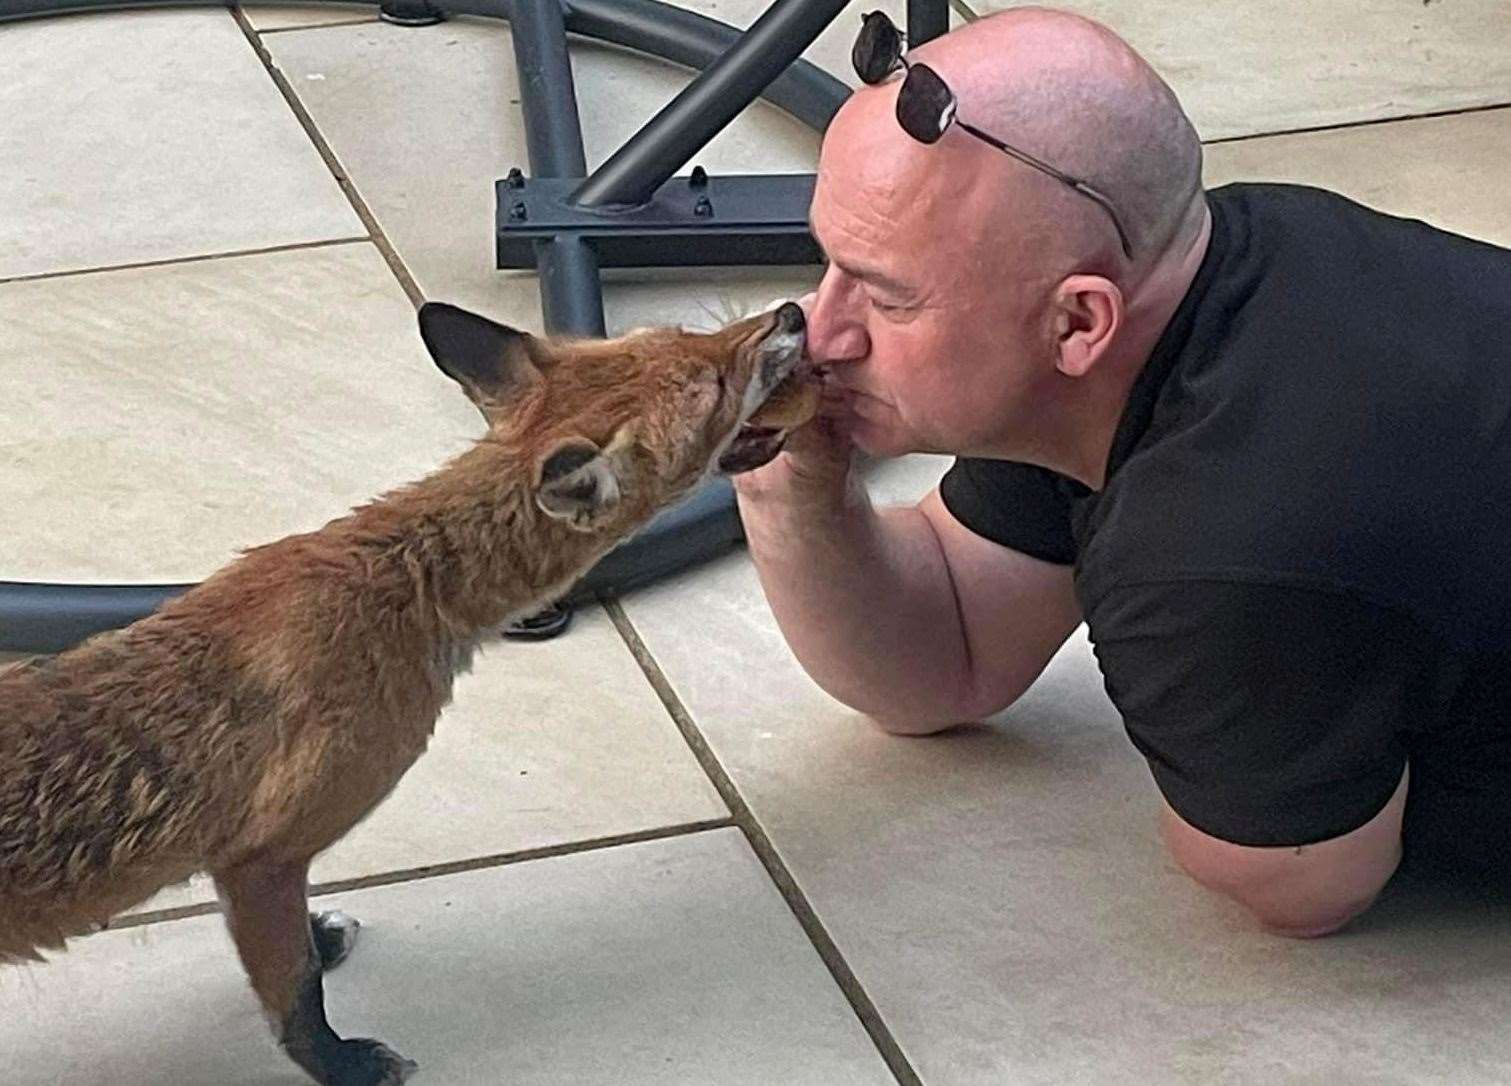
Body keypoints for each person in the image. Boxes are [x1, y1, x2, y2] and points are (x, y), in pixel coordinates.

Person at [734, 6, 1511, 937]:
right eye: (830, 268)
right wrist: (783, 482)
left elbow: (1305, 883)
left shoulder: (1215, 550)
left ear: (1078, 323)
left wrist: (1235, 770)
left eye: (888, 297)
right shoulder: (1225, 267)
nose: (821, 336)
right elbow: (944, 660)